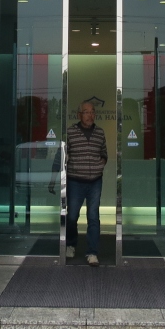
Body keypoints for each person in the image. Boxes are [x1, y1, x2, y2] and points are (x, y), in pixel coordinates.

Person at [63, 102, 107, 266]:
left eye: (92, 112)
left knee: (93, 217)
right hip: (75, 181)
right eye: (86, 112)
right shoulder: (70, 132)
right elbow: (64, 155)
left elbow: (104, 153)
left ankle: (92, 252)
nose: (90, 115)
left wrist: (101, 164)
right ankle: (70, 244)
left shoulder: (100, 132)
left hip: (95, 181)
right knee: (72, 216)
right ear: (79, 115)